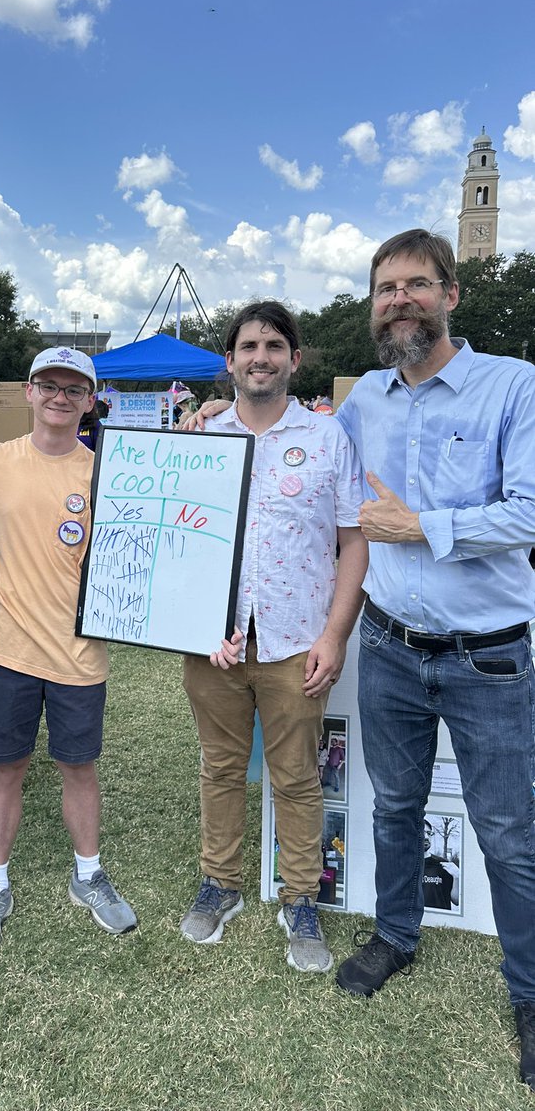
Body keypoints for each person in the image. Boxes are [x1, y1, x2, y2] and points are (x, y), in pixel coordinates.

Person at [331, 231, 535, 1082]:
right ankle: (395, 936)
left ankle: (528, 990)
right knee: (393, 809)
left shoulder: (513, 386)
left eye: (417, 284)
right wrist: (217, 424)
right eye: (386, 288)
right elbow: (300, 465)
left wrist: (422, 527)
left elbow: (529, 512)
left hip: (488, 658)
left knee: (508, 833)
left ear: (452, 295)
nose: (400, 299)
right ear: (374, 306)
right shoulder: (363, 402)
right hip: (387, 647)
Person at [177, 302, 366, 973]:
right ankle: (220, 882)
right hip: (214, 642)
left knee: (297, 776)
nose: (261, 355)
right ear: (229, 360)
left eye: (274, 345)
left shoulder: (327, 439)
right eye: (248, 345)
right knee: (220, 767)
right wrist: (192, 623)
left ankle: (300, 899)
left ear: (293, 359)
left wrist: (335, 634)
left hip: (295, 640)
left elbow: (353, 541)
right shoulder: (199, 438)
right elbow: (178, 546)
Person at [0, 346, 136, 951]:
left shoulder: (110, 469)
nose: (60, 397)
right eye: (48, 385)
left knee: (78, 766)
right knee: (4, 767)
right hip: (8, 648)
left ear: (90, 400)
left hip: (82, 651)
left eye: (73, 388)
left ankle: (89, 874)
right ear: (29, 392)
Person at [421, 818, 460, 910]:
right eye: (421, 832)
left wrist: (457, 877)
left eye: (429, 833)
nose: (426, 837)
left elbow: (456, 901)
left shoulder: (444, 864)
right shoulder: (405, 866)